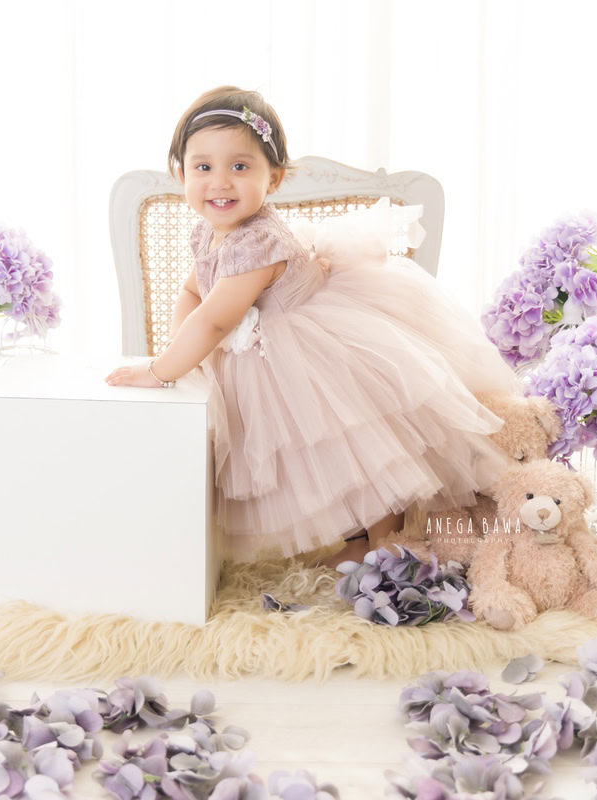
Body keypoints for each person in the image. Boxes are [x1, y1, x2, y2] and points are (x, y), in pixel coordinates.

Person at [105, 86, 521, 568]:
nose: (220, 182)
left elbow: (216, 319)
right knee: (323, 459)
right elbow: (194, 293)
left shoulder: (257, 243)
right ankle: (358, 539)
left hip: (314, 352)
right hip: (272, 354)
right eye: (203, 167)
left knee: (361, 454)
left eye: (239, 166)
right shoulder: (206, 231)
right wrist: (184, 353)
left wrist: (161, 370)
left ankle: (385, 543)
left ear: (274, 178)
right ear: (181, 174)